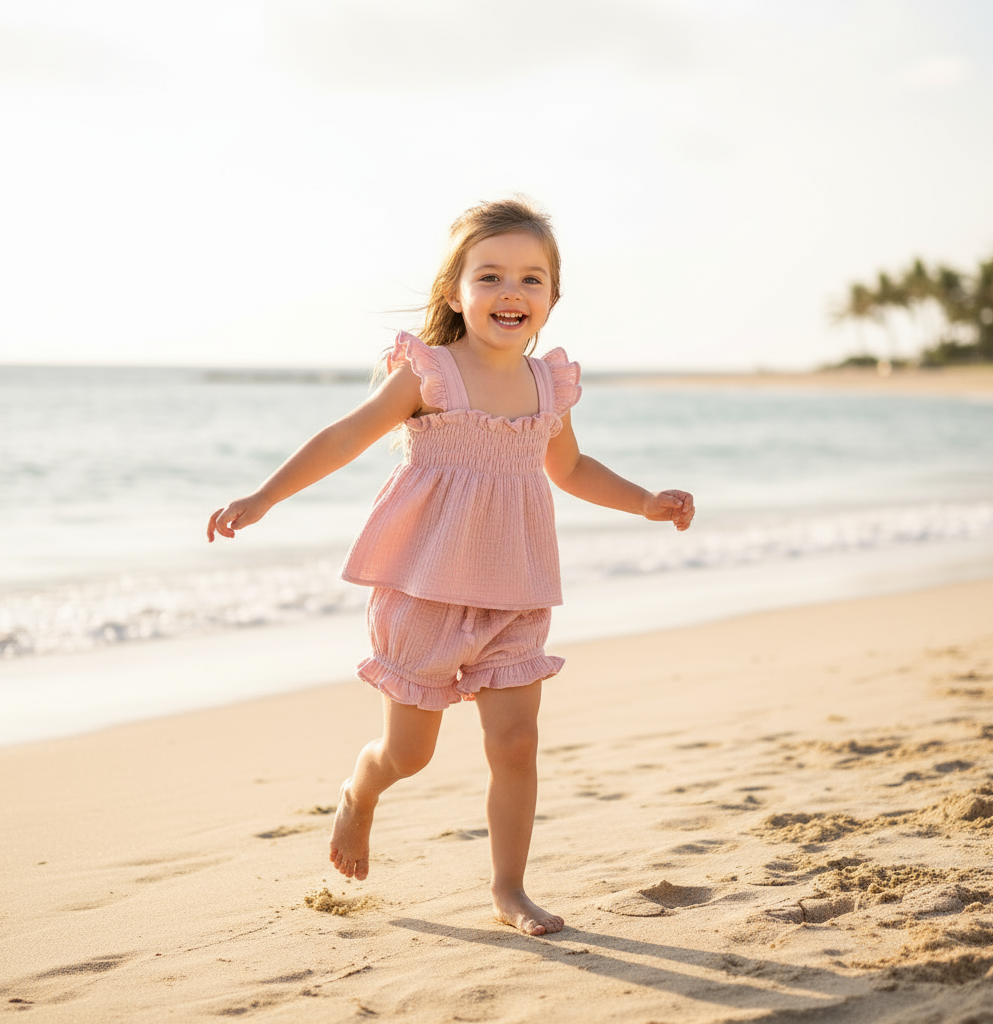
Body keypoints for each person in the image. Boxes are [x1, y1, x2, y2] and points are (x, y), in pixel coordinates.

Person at [207, 197, 695, 936]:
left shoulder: (549, 387)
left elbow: (570, 469)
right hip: (424, 588)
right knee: (410, 752)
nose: (511, 293)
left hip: (515, 588)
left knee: (517, 743)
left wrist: (646, 502)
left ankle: (510, 889)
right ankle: (360, 795)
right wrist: (265, 496)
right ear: (453, 291)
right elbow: (345, 438)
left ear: (552, 300)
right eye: (490, 275)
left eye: (532, 280)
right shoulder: (428, 373)